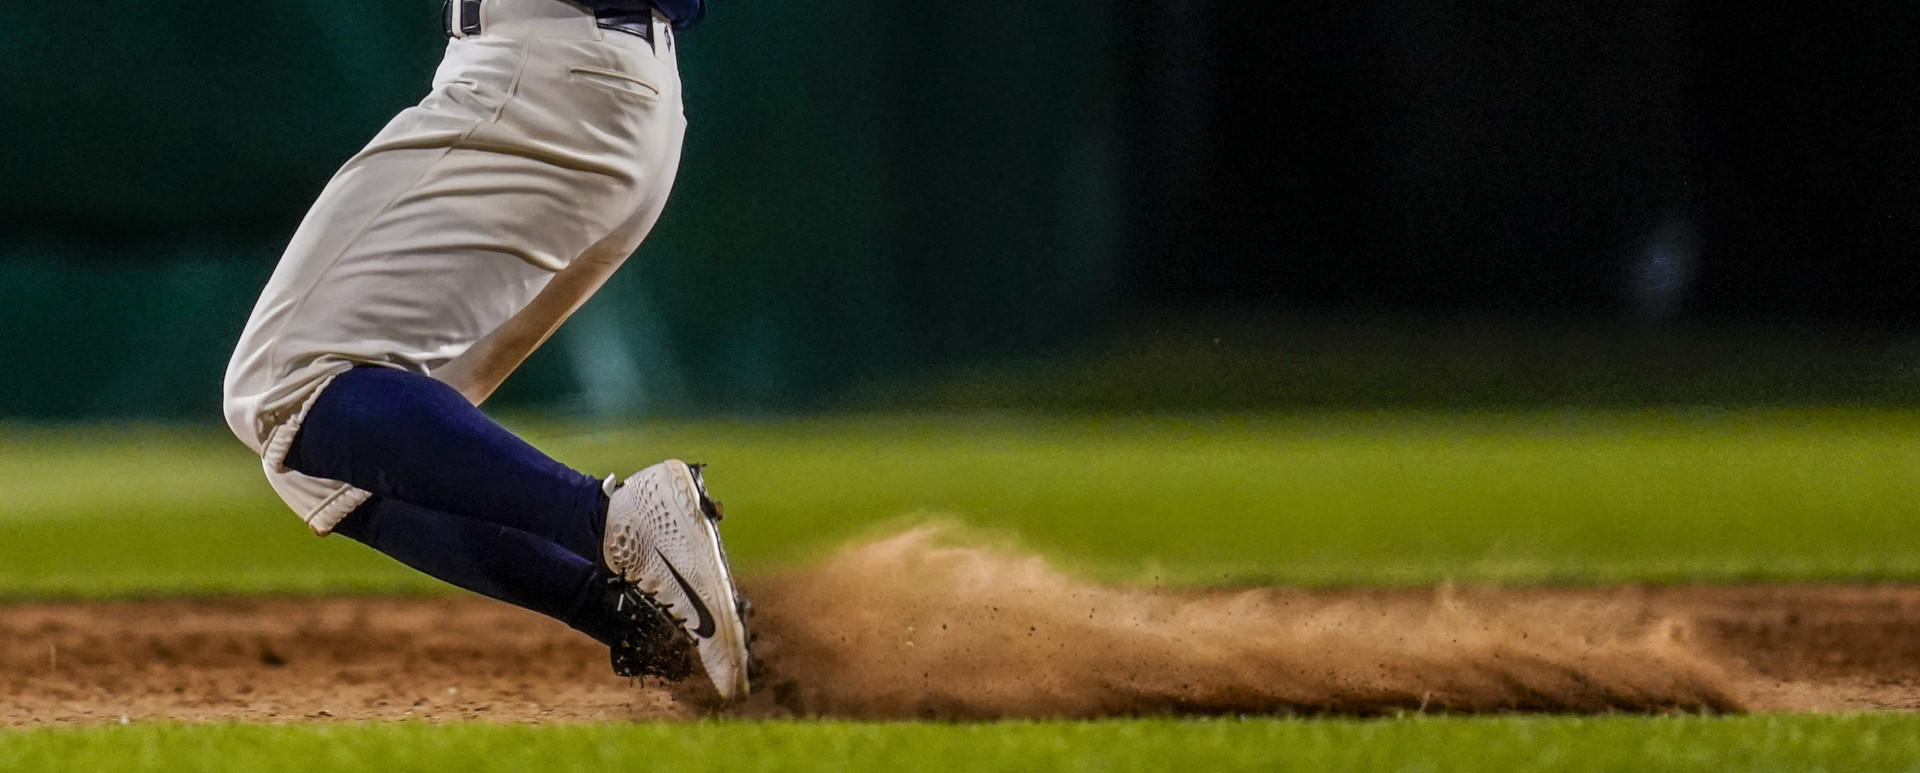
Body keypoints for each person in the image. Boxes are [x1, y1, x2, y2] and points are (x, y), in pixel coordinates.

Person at [219, 0, 751, 702]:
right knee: (328, 461)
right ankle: (655, 626)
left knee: (286, 383)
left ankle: (617, 520)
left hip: (541, 80)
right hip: (605, 90)